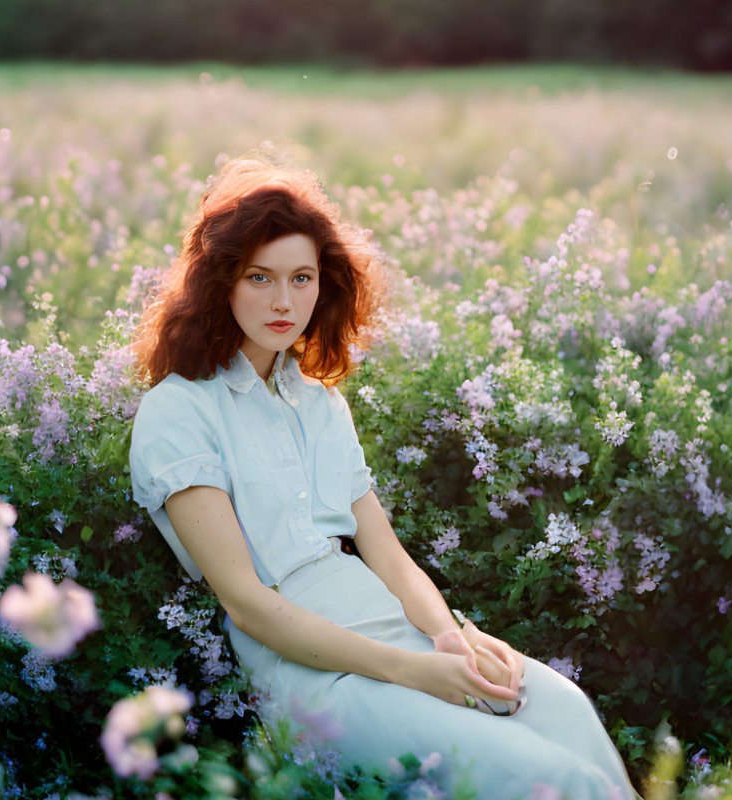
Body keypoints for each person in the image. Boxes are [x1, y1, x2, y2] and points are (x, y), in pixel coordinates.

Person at [129, 156, 638, 800]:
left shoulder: (319, 403)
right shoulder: (179, 409)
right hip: (315, 676)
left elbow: (391, 560)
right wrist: (413, 672)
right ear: (221, 283)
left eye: (301, 278)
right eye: (259, 277)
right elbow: (246, 603)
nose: (283, 300)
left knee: (567, 712)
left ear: (323, 288)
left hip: (394, 630)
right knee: (557, 781)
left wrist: (450, 642)